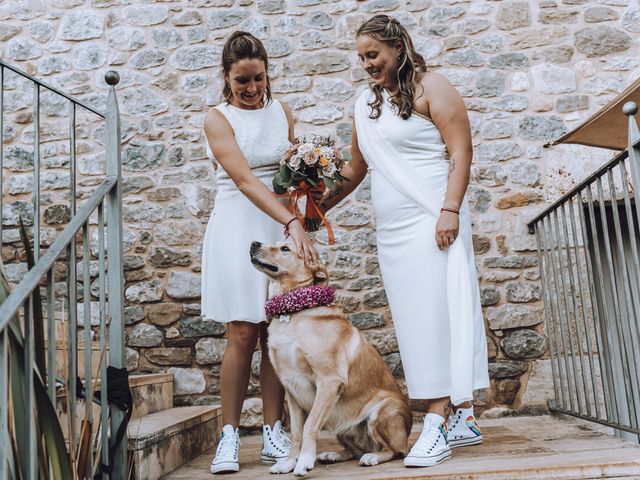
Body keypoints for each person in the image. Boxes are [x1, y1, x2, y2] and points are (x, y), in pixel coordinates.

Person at [321, 15, 489, 468]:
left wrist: (450, 209)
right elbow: (356, 169)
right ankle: (460, 418)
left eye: (372, 55)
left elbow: (461, 152)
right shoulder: (365, 102)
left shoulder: (434, 87)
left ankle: (436, 419)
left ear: (398, 48)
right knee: (415, 322)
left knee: (438, 314)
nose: (366, 64)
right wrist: (317, 209)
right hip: (393, 233)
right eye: (360, 58)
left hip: (434, 214)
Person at [201, 31, 319, 475]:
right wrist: (289, 221)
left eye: (259, 79)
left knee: (277, 331)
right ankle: (229, 435)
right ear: (227, 78)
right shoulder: (217, 119)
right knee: (243, 332)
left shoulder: (281, 110)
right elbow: (248, 181)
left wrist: (302, 213)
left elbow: (288, 175)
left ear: (268, 73)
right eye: (242, 82)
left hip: (281, 226)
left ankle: (274, 430)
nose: (252, 90)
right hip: (237, 224)